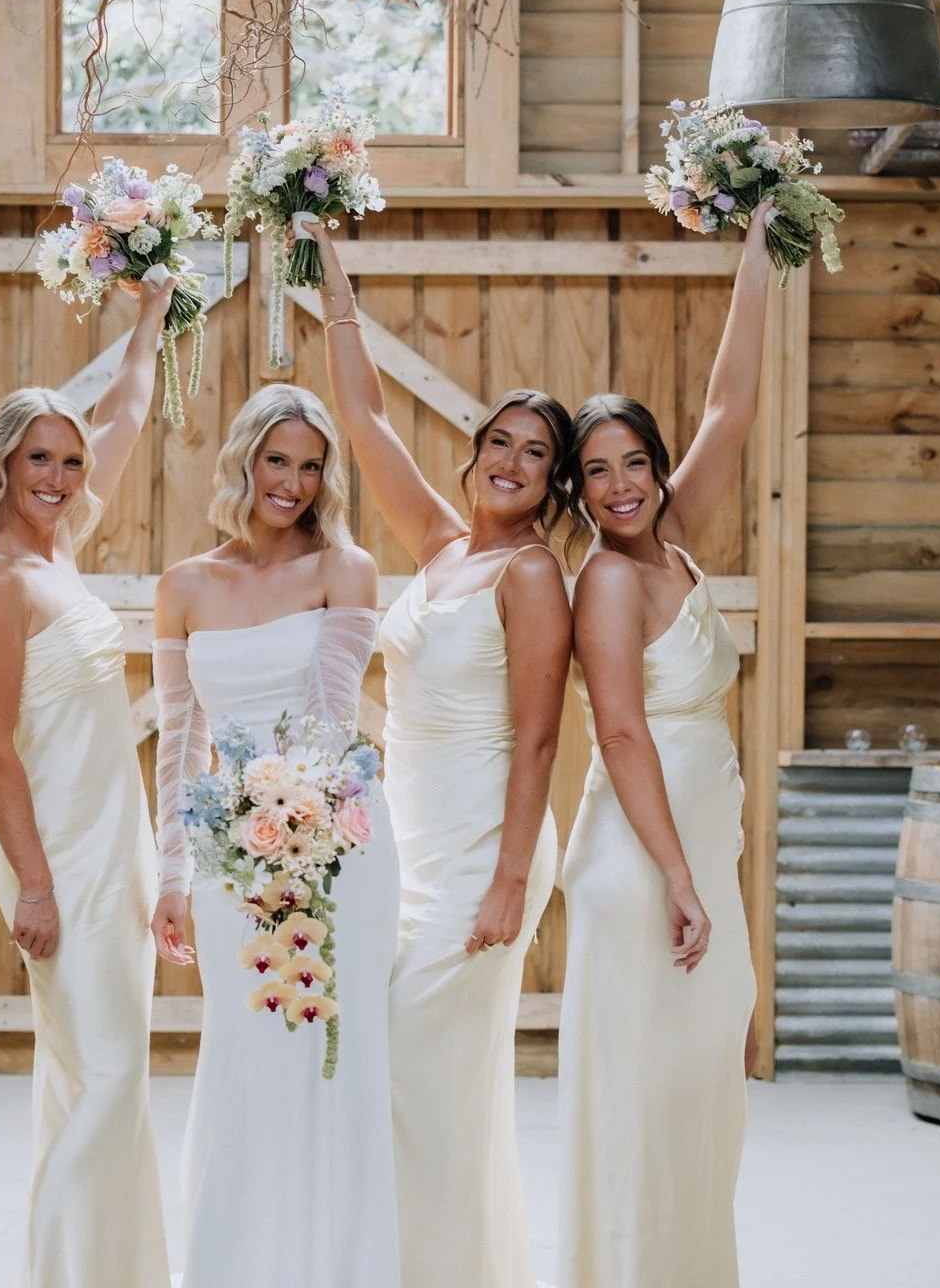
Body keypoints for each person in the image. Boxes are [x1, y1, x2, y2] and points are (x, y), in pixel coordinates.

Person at [314, 219, 570, 1288]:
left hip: (483, 846)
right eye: (500, 441)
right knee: (394, 1067)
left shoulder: (533, 578)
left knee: (426, 1066)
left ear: (554, 484)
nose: (510, 462)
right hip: (406, 835)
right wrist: (327, 269)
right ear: (475, 455)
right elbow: (364, 412)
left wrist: (512, 879)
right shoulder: (444, 544)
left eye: (535, 454)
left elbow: (544, 733)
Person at [557, 204, 772, 1288]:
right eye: (598, 472)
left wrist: (757, 251)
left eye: (635, 461)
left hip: (699, 860)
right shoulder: (601, 584)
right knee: (647, 1096)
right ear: (578, 490)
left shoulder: (673, 549)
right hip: (643, 868)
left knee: (701, 1089)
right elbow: (622, 733)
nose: (624, 485)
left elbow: (731, 403)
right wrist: (682, 879)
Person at [150, 383, 402, 1288]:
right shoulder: (183, 586)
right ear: (244, 459)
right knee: (247, 1056)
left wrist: (304, 822)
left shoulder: (346, 569)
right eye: (276, 460)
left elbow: (335, 721)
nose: (291, 482)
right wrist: (172, 876)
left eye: (310, 465)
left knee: (339, 1061)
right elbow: (181, 744)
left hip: (339, 844)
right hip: (227, 854)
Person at [0, 274, 175, 1288]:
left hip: (115, 841)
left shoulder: (65, 545)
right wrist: (32, 884)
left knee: (97, 1068)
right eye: (39, 457)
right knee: (108, 1071)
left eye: (71, 462)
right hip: (53, 856)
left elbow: (129, 409)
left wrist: (151, 315)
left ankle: (101, 1269)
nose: (59, 475)